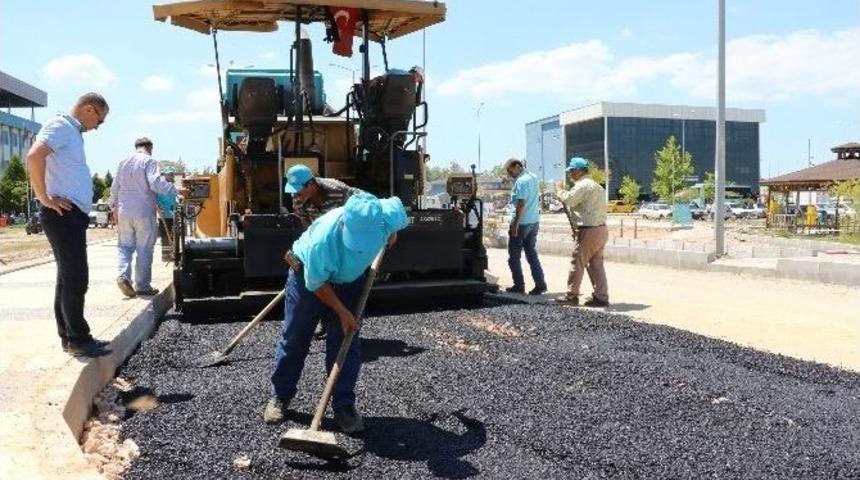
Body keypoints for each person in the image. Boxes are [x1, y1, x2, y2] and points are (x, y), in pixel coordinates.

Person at [264, 193, 409, 433]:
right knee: (295, 339)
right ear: (345, 224)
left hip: (350, 282)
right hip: (308, 280)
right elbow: (317, 283)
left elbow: (395, 230)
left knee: (346, 341)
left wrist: (390, 237)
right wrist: (342, 312)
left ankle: (343, 406)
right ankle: (280, 395)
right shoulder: (323, 240)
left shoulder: (386, 216)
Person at [25, 92, 111, 357]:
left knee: (66, 278)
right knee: (76, 278)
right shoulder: (61, 126)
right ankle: (78, 338)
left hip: (70, 215)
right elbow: (33, 157)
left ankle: (70, 337)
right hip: (63, 215)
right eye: (100, 119)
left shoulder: (71, 132)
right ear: (88, 109)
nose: (98, 127)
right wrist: (45, 198)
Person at [285, 164, 362, 339]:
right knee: (319, 282)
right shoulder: (297, 199)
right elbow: (307, 225)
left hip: (343, 242)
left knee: (343, 285)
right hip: (322, 243)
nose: (295, 195)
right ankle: (325, 321)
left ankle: (345, 322)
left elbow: (367, 202)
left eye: (298, 190)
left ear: (311, 184)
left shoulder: (339, 191)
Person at [109, 138, 177, 298]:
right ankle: (142, 286)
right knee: (144, 248)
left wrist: (113, 207)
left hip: (124, 211)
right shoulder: (150, 161)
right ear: (150, 148)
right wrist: (177, 190)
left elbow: (114, 188)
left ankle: (123, 276)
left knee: (124, 247)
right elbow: (156, 184)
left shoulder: (123, 162)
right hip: (144, 212)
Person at [555, 157, 609, 307]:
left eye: (571, 171)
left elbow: (569, 200)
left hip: (589, 230)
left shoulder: (582, 185)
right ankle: (601, 296)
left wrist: (559, 190)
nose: (570, 175)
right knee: (596, 264)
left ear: (578, 171)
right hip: (600, 229)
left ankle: (571, 296)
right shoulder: (598, 187)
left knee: (577, 262)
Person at [504, 158, 547, 295]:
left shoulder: (522, 181)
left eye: (510, 171)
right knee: (531, 255)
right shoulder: (533, 177)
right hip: (534, 222)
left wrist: (515, 225)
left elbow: (521, 204)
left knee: (514, 257)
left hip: (522, 224)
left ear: (517, 166)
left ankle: (519, 285)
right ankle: (540, 284)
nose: (510, 175)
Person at [156, 167, 178, 262]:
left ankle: (173, 254)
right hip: (165, 216)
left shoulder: (173, 186)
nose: (171, 176)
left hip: (173, 215)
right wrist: (160, 208)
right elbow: (157, 199)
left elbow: (175, 200)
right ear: (165, 175)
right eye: (169, 174)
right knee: (165, 235)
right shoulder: (161, 187)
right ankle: (166, 256)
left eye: (172, 174)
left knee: (174, 235)